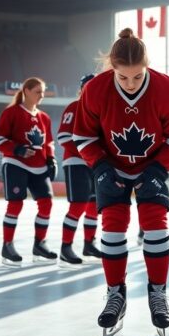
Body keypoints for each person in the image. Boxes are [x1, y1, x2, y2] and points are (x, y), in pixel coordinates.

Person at [73, 28, 169, 336]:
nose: (130, 83)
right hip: (111, 166)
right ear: (112, 68)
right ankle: (116, 294)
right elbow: (83, 136)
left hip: (154, 165)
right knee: (112, 227)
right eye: (122, 77)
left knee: (156, 225)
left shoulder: (168, 89)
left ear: (147, 65)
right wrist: (100, 165)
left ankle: (158, 292)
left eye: (137, 76)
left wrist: (159, 168)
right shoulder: (95, 90)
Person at [0, 77, 57, 266]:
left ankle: (40, 244)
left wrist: (51, 159)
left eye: (43, 92)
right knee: (15, 204)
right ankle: (7, 245)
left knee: (46, 203)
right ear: (26, 91)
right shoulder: (11, 112)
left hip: (39, 167)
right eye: (38, 91)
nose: (41, 95)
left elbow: (49, 142)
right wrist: (17, 149)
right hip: (16, 164)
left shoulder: (44, 117)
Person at [57, 74, 102, 267]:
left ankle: (89, 244)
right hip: (76, 162)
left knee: (93, 205)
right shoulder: (74, 107)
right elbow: (64, 137)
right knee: (78, 204)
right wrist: (87, 153)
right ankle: (65, 247)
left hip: (94, 164)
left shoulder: (100, 112)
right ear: (82, 88)